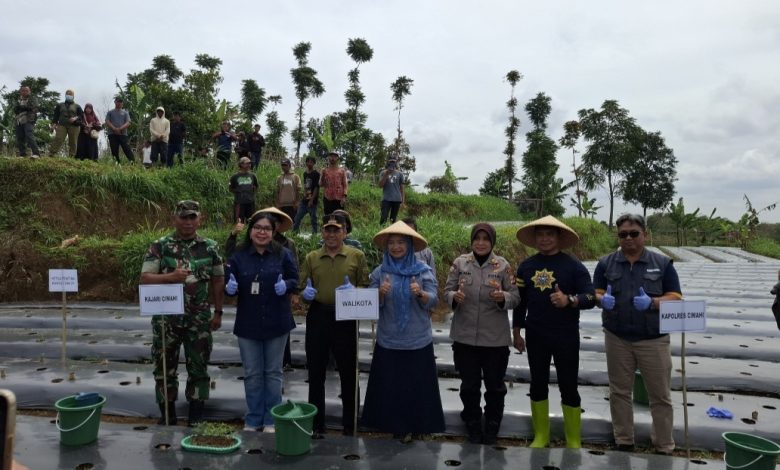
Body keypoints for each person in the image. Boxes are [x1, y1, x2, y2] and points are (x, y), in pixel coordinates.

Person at [593, 213, 682, 455]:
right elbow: (596, 293)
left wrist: (653, 303)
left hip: (653, 339)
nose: (629, 238)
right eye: (623, 234)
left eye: (634, 233)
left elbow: (675, 297)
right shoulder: (605, 264)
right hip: (617, 337)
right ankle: (624, 439)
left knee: (660, 394)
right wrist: (602, 300)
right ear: (618, 237)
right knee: (619, 391)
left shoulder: (663, 264)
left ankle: (663, 444)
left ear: (645, 234)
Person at [139, 200, 225, 426]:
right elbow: (145, 279)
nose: (188, 222)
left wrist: (218, 312)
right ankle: (168, 415)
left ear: (200, 219)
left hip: (199, 319)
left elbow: (218, 280)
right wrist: (170, 277)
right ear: (174, 219)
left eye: (192, 217)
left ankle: (196, 417)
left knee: (198, 367)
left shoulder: (210, 247)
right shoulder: (160, 246)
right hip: (167, 320)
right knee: (165, 367)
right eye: (183, 217)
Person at [514, 216, 596, 449]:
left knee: (568, 384)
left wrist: (569, 300)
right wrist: (516, 332)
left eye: (550, 234)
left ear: (559, 237)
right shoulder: (526, 266)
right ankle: (541, 435)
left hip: (566, 335)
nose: (545, 239)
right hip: (536, 334)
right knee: (537, 383)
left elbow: (591, 297)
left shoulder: (574, 266)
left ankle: (573, 439)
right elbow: (520, 303)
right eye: (540, 234)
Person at [361, 221, 445, 439]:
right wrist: (379, 293)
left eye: (400, 242)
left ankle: (418, 426)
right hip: (389, 339)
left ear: (409, 245)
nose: (396, 247)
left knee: (415, 385)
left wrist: (420, 294)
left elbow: (433, 302)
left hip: (417, 339)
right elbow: (370, 305)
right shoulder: (380, 272)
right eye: (391, 243)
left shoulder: (423, 271)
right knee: (391, 385)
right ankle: (393, 426)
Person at [293, 212, 369, 436]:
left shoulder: (357, 256)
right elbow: (302, 289)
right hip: (319, 315)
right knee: (316, 371)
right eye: (328, 229)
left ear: (345, 232)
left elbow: (366, 286)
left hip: (346, 316)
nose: (332, 234)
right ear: (323, 232)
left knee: (348, 371)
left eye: (337, 230)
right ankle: (316, 424)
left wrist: (355, 292)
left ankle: (350, 424)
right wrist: (305, 294)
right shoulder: (312, 257)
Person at [443, 223, 520, 445]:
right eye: (477, 238)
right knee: (469, 385)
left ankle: (493, 425)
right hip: (464, 337)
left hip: (495, 340)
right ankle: (473, 424)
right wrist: (453, 298)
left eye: (486, 239)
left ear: (492, 242)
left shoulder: (503, 266)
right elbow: (447, 291)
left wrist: (503, 297)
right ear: (472, 241)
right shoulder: (459, 263)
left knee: (495, 386)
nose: (481, 242)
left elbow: (516, 297)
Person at [224, 210, 298, 432]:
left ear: (274, 232)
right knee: (253, 373)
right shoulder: (239, 255)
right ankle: (253, 417)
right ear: (251, 230)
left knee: (273, 372)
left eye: (266, 228)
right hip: (248, 323)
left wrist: (287, 285)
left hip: (278, 321)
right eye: (257, 228)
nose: (262, 232)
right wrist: (230, 288)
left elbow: (295, 278)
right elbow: (229, 280)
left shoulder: (283, 254)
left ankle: (271, 419)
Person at [49, 89, 83, 157]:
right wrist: (53, 125)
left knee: (73, 142)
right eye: (67, 94)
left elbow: (82, 116)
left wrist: (75, 118)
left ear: (73, 96)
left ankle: (71, 157)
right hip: (62, 125)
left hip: (74, 126)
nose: (69, 96)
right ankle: (51, 154)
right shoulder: (60, 105)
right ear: (65, 95)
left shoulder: (77, 106)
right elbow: (56, 116)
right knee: (58, 138)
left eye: (70, 95)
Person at [292, 155, 320, 234]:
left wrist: (311, 200)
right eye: (308, 162)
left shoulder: (316, 174)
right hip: (304, 201)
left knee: (313, 220)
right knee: (297, 217)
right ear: (306, 163)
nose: (309, 163)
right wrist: (305, 194)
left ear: (314, 163)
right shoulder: (305, 174)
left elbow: (316, 188)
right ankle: (294, 233)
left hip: (313, 201)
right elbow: (306, 185)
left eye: (311, 162)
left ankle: (314, 235)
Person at [13, 86, 40, 158]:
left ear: (29, 91)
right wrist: (24, 108)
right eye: (23, 90)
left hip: (29, 120)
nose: (24, 92)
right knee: (20, 137)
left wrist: (23, 107)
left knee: (29, 135)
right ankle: (22, 154)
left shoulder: (33, 99)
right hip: (19, 120)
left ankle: (36, 154)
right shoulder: (18, 100)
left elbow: (35, 108)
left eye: (26, 90)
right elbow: (15, 109)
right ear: (20, 92)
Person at [105, 97, 134, 163]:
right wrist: (114, 129)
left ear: (122, 103)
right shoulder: (110, 112)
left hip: (123, 134)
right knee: (114, 150)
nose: (119, 103)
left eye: (120, 102)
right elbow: (107, 121)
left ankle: (133, 163)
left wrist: (120, 129)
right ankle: (117, 164)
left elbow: (128, 122)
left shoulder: (125, 113)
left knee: (127, 149)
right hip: (112, 134)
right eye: (118, 101)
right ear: (115, 102)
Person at [229, 157, 259, 222]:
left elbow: (256, 186)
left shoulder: (252, 176)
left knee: (251, 222)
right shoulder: (235, 176)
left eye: (250, 163)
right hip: (239, 203)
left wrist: (251, 194)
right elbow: (230, 188)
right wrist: (239, 192)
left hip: (250, 203)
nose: (249, 165)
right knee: (239, 222)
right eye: (247, 163)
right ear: (241, 164)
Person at [378, 156, 405, 225]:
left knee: (393, 219)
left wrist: (403, 201)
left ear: (396, 163)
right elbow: (380, 185)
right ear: (388, 163)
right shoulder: (383, 173)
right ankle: (382, 233)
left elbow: (402, 188)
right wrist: (386, 174)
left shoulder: (400, 174)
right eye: (391, 162)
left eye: (394, 162)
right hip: (386, 199)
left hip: (397, 199)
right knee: (383, 218)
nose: (392, 163)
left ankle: (392, 234)